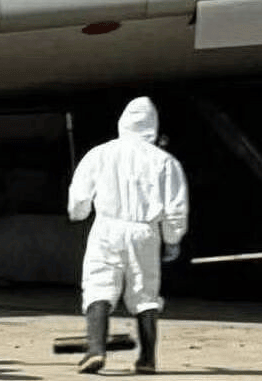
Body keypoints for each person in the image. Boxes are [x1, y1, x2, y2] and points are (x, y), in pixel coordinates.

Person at [67, 97, 189, 375]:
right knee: (145, 293)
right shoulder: (165, 161)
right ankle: (147, 358)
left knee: (98, 285)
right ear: (153, 126)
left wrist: (78, 213)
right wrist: (172, 238)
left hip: (107, 228)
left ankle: (95, 350)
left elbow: (79, 196)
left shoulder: (100, 154)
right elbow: (176, 205)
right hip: (144, 231)